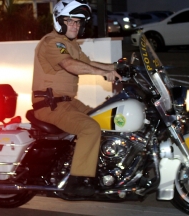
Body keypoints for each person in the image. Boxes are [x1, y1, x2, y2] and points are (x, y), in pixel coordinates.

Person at [31, 0, 121, 197]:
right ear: (59, 21)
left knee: (103, 118)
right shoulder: (52, 43)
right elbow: (70, 65)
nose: (75, 26)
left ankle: (95, 168)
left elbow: (87, 63)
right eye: (70, 21)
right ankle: (77, 182)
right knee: (90, 128)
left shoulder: (70, 44)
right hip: (50, 105)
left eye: (78, 22)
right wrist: (102, 73)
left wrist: (116, 68)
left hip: (68, 102)